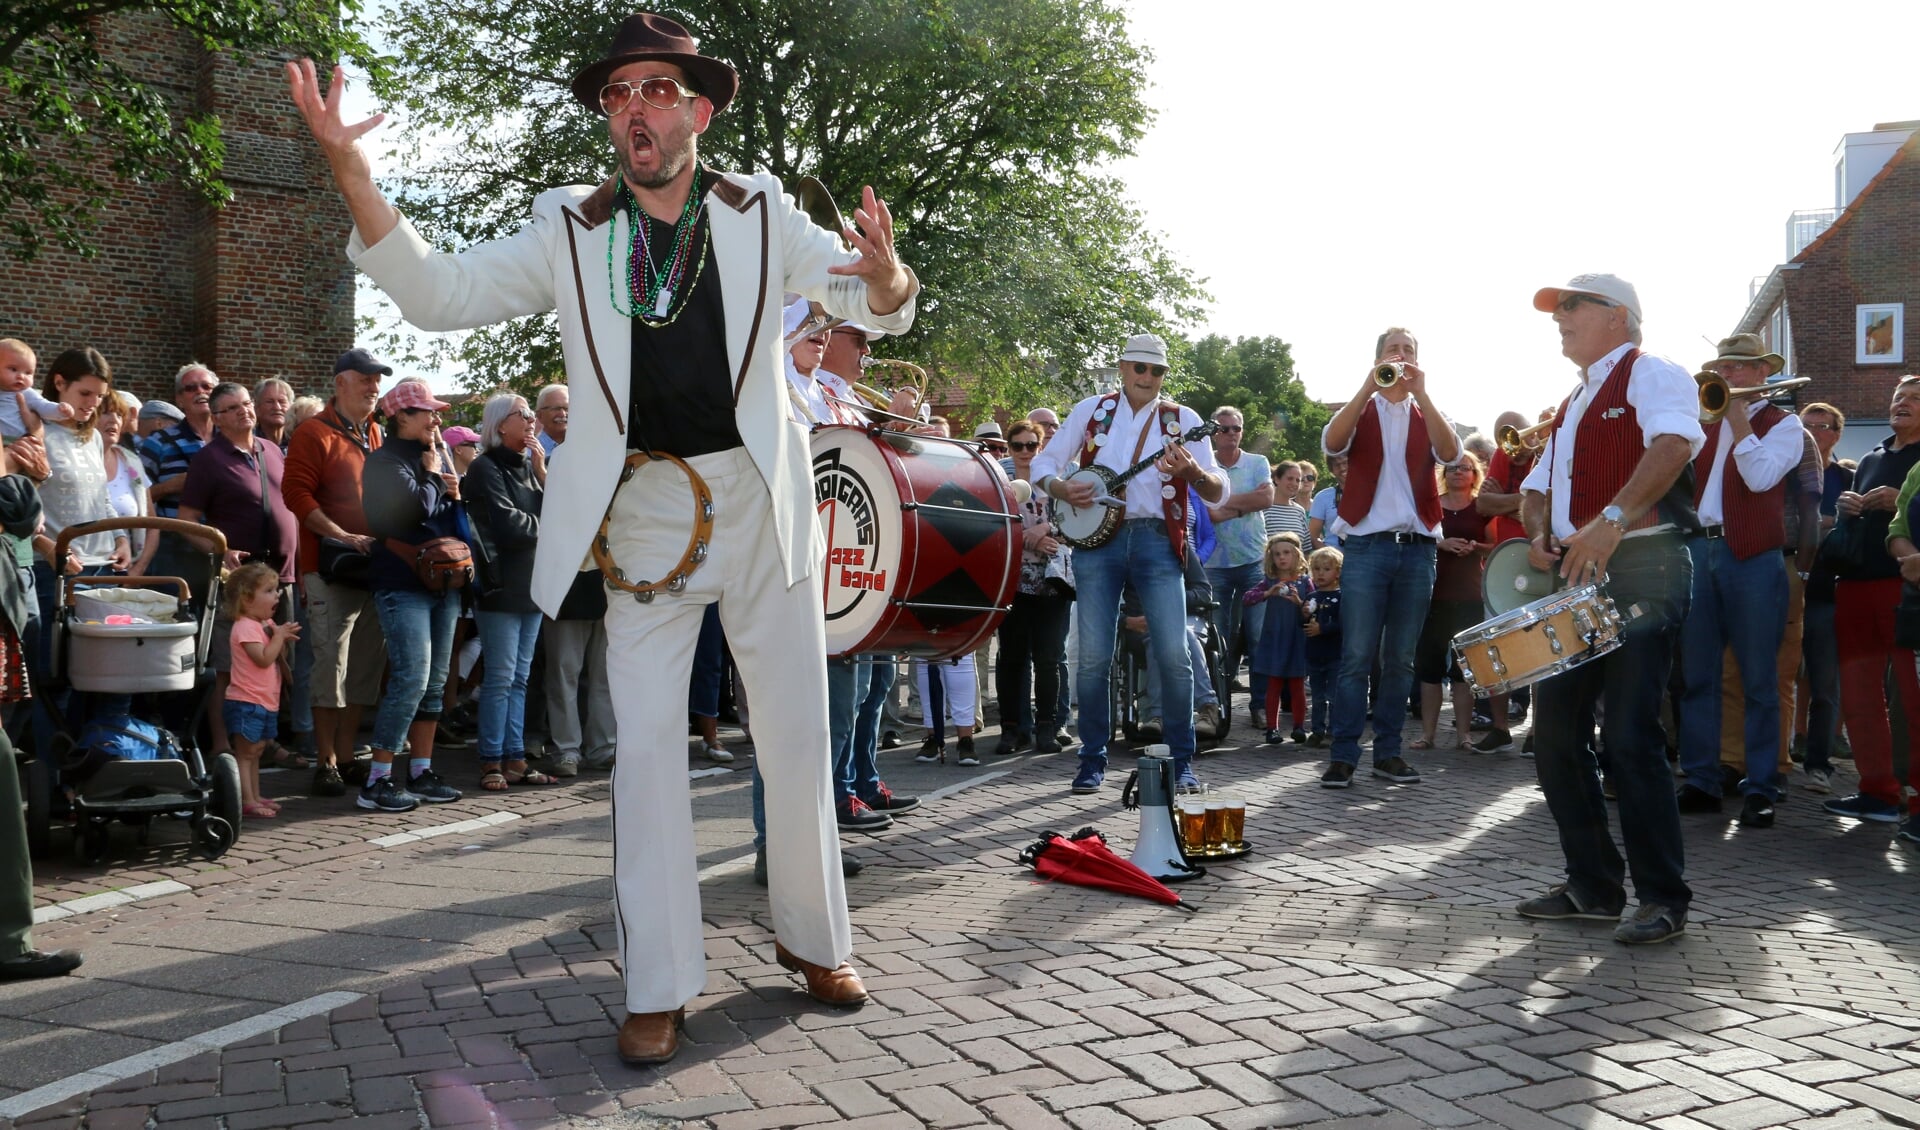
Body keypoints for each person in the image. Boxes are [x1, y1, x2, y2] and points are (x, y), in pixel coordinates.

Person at [288, 11, 909, 1061]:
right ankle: (659, 978)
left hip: (762, 500)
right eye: (620, 94)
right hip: (647, 514)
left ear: (699, 110)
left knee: (798, 736)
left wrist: (885, 273)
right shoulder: (567, 226)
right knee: (645, 755)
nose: (637, 110)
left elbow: (874, 302)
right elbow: (440, 295)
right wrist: (352, 169)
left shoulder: (760, 211)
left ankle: (814, 938)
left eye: (658, 89)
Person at [1516, 273, 1702, 946]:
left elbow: (1674, 445)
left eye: (1574, 306)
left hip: (1644, 565)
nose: (1559, 316)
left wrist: (1612, 520)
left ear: (1618, 317)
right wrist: (1538, 531)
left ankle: (1662, 898)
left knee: (1629, 736)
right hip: (1579, 574)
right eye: (1558, 308)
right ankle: (1592, 885)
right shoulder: (1573, 400)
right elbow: (1535, 487)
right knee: (1556, 736)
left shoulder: (1653, 372)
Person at [1031, 332, 1226, 793]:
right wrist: (1061, 489)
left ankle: (1181, 762)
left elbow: (1219, 491)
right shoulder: (1091, 410)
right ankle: (1092, 758)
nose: (1148, 377)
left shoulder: (1185, 419)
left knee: (1174, 654)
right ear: (1122, 368)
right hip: (1097, 542)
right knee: (1094, 656)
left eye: (1157, 370)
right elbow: (1045, 465)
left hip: (1159, 540)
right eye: (1139, 367)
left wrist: (1192, 472)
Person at [1671, 335, 1806, 829]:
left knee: (1759, 679)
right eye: (1725, 366)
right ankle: (1703, 780)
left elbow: (1761, 478)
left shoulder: (1785, 424)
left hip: (1752, 557)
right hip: (1700, 548)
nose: (1731, 374)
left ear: (1763, 374)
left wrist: (1737, 419)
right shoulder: (1704, 422)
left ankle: (1762, 786)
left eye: (1742, 367)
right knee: (1699, 677)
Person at [1318, 327, 1462, 788]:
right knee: (1356, 657)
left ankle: (1388, 753)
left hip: (1417, 551)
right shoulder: (1363, 408)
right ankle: (1343, 756)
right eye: (1392, 350)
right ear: (1378, 357)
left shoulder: (1426, 411)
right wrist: (1367, 388)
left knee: (1401, 659)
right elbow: (1332, 443)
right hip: (1366, 547)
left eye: (1408, 350)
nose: (1400, 356)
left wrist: (1423, 393)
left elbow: (1451, 452)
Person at [357, 379, 468, 812]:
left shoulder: (434, 458)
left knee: (436, 684)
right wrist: (436, 481)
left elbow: (446, 516)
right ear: (401, 416)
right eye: (428, 412)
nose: (437, 419)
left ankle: (420, 771)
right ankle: (377, 780)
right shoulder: (383, 462)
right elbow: (412, 511)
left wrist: (450, 489)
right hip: (401, 584)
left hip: (443, 584)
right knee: (410, 680)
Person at [177, 381, 302, 763]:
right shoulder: (209, 459)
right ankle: (222, 743)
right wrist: (221, 550)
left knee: (276, 662)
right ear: (217, 418)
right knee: (229, 668)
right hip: (238, 584)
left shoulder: (271, 450)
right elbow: (186, 521)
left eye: (246, 404)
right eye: (232, 408)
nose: (244, 411)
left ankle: (265, 741)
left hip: (281, 576)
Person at [283, 349, 389, 797]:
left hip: (373, 568)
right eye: (364, 378)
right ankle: (324, 759)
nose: (373, 386)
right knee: (330, 665)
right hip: (329, 568)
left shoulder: (376, 434)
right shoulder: (313, 432)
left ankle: (347, 756)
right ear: (340, 382)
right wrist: (342, 535)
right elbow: (297, 496)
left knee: (365, 667)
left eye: (377, 379)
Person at [1821, 376, 1920, 829]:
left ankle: (1915, 800)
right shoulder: (1873, 457)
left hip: (1902, 586)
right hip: (1856, 583)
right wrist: (1848, 504)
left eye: (1916, 399)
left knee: (1909, 696)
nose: (1903, 404)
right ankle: (1877, 791)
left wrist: (1898, 499)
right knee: (1860, 693)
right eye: (1899, 397)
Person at [461, 393, 557, 791]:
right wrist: (548, 525)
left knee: (520, 676)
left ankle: (516, 758)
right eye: (524, 414)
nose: (533, 420)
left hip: (531, 583)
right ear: (501, 424)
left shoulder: (530, 466)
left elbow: (562, 511)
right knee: (500, 677)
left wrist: (543, 472)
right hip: (500, 584)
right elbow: (508, 525)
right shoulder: (486, 467)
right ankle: (491, 760)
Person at [995, 419, 1070, 755]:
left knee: (1049, 658)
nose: (1025, 452)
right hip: (1013, 582)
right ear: (1009, 448)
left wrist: (1047, 532)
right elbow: (992, 529)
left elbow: (1075, 523)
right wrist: (1028, 538)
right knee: (1011, 658)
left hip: (1053, 583)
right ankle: (1012, 729)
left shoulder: (1055, 483)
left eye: (1031, 445)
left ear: (1040, 448)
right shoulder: (1000, 485)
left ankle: (1047, 727)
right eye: (1018, 445)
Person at [1416, 453, 1494, 751]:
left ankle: (1464, 735)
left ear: (1475, 474)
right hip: (1434, 595)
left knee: (1464, 671)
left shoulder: (1481, 507)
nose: (1458, 473)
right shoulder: (1433, 503)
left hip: (1470, 595)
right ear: (1443, 473)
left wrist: (1476, 547)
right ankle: (1427, 735)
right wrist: (1442, 543)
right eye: (1452, 468)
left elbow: (1494, 545)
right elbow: (1420, 537)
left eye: (1465, 468)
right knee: (1429, 668)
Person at [1203, 406, 1273, 729]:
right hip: (1215, 564)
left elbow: (1266, 500)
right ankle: (1217, 707)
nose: (1231, 433)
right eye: (1224, 428)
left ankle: (1260, 706)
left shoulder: (1257, 462)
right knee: (1218, 638)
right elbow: (1205, 511)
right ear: (1214, 431)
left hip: (1254, 561)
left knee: (1258, 636)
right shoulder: (1204, 464)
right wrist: (1245, 503)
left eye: (1236, 428)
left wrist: (1223, 507)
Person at [1795, 401, 1850, 792]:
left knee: (1824, 683)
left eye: (1822, 425)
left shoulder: (1849, 478)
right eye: (1806, 425)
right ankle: (1769, 760)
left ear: (1836, 434)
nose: (1813, 432)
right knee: (1772, 679)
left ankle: (1818, 763)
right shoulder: (1786, 472)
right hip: (1784, 585)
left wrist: (1831, 522)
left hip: (1825, 592)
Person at [223, 561, 301, 819]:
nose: (276, 595)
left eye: (276, 589)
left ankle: (255, 796)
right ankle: (246, 799)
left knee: (256, 752)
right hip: (246, 701)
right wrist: (278, 638)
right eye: (269, 590)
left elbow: (278, 657)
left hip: (264, 701)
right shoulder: (245, 626)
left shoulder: (264, 623)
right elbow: (263, 659)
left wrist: (282, 640)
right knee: (246, 754)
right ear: (246, 600)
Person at [1245, 532, 1310, 743]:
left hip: (1297, 639)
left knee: (1297, 684)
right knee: (1273, 684)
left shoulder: (1305, 582)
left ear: (1297, 555)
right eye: (1276, 554)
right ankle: (1272, 728)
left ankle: (1299, 726)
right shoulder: (1269, 581)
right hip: (1274, 639)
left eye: (1287, 553)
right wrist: (1267, 593)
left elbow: (1313, 607)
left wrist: (1299, 602)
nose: (1282, 558)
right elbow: (1248, 598)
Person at [97, 391, 158, 578]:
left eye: (119, 414)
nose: (114, 420)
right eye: (106, 412)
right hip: (80, 567)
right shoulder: (74, 460)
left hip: (124, 571)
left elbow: (152, 525)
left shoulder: (131, 462)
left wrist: (138, 570)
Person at [1302, 546, 1343, 746]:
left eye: (1326, 569)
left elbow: (1344, 624)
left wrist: (1323, 629)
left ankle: (1333, 731)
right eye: (1316, 569)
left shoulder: (1342, 597)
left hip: (1335, 655)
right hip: (1314, 655)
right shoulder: (1311, 597)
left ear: (1338, 572)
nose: (1320, 573)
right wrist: (1302, 615)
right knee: (1317, 697)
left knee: (1334, 696)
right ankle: (1317, 730)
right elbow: (1303, 626)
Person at [0, 338, 70, 438]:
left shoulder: (26, 393)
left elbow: (43, 406)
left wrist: (59, 410)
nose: (21, 376)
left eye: (28, 373)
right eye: (13, 369)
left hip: (16, 441)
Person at [1263, 460, 1311, 544]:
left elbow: (1306, 548)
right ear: (1277, 479)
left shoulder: (1299, 511)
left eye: (1297, 480)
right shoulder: (1263, 509)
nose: (1294, 483)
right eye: (1290, 479)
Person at [1306, 453, 1347, 551]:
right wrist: (1331, 555)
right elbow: (1313, 537)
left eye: (1346, 462)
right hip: (1333, 561)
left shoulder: (1370, 493)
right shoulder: (1322, 497)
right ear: (1332, 470)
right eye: (1337, 465)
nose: (1342, 468)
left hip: (1365, 556)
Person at [254, 377, 296, 447]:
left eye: (282, 402)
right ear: (257, 407)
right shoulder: (248, 442)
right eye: (269, 402)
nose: (277, 407)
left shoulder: (299, 442)